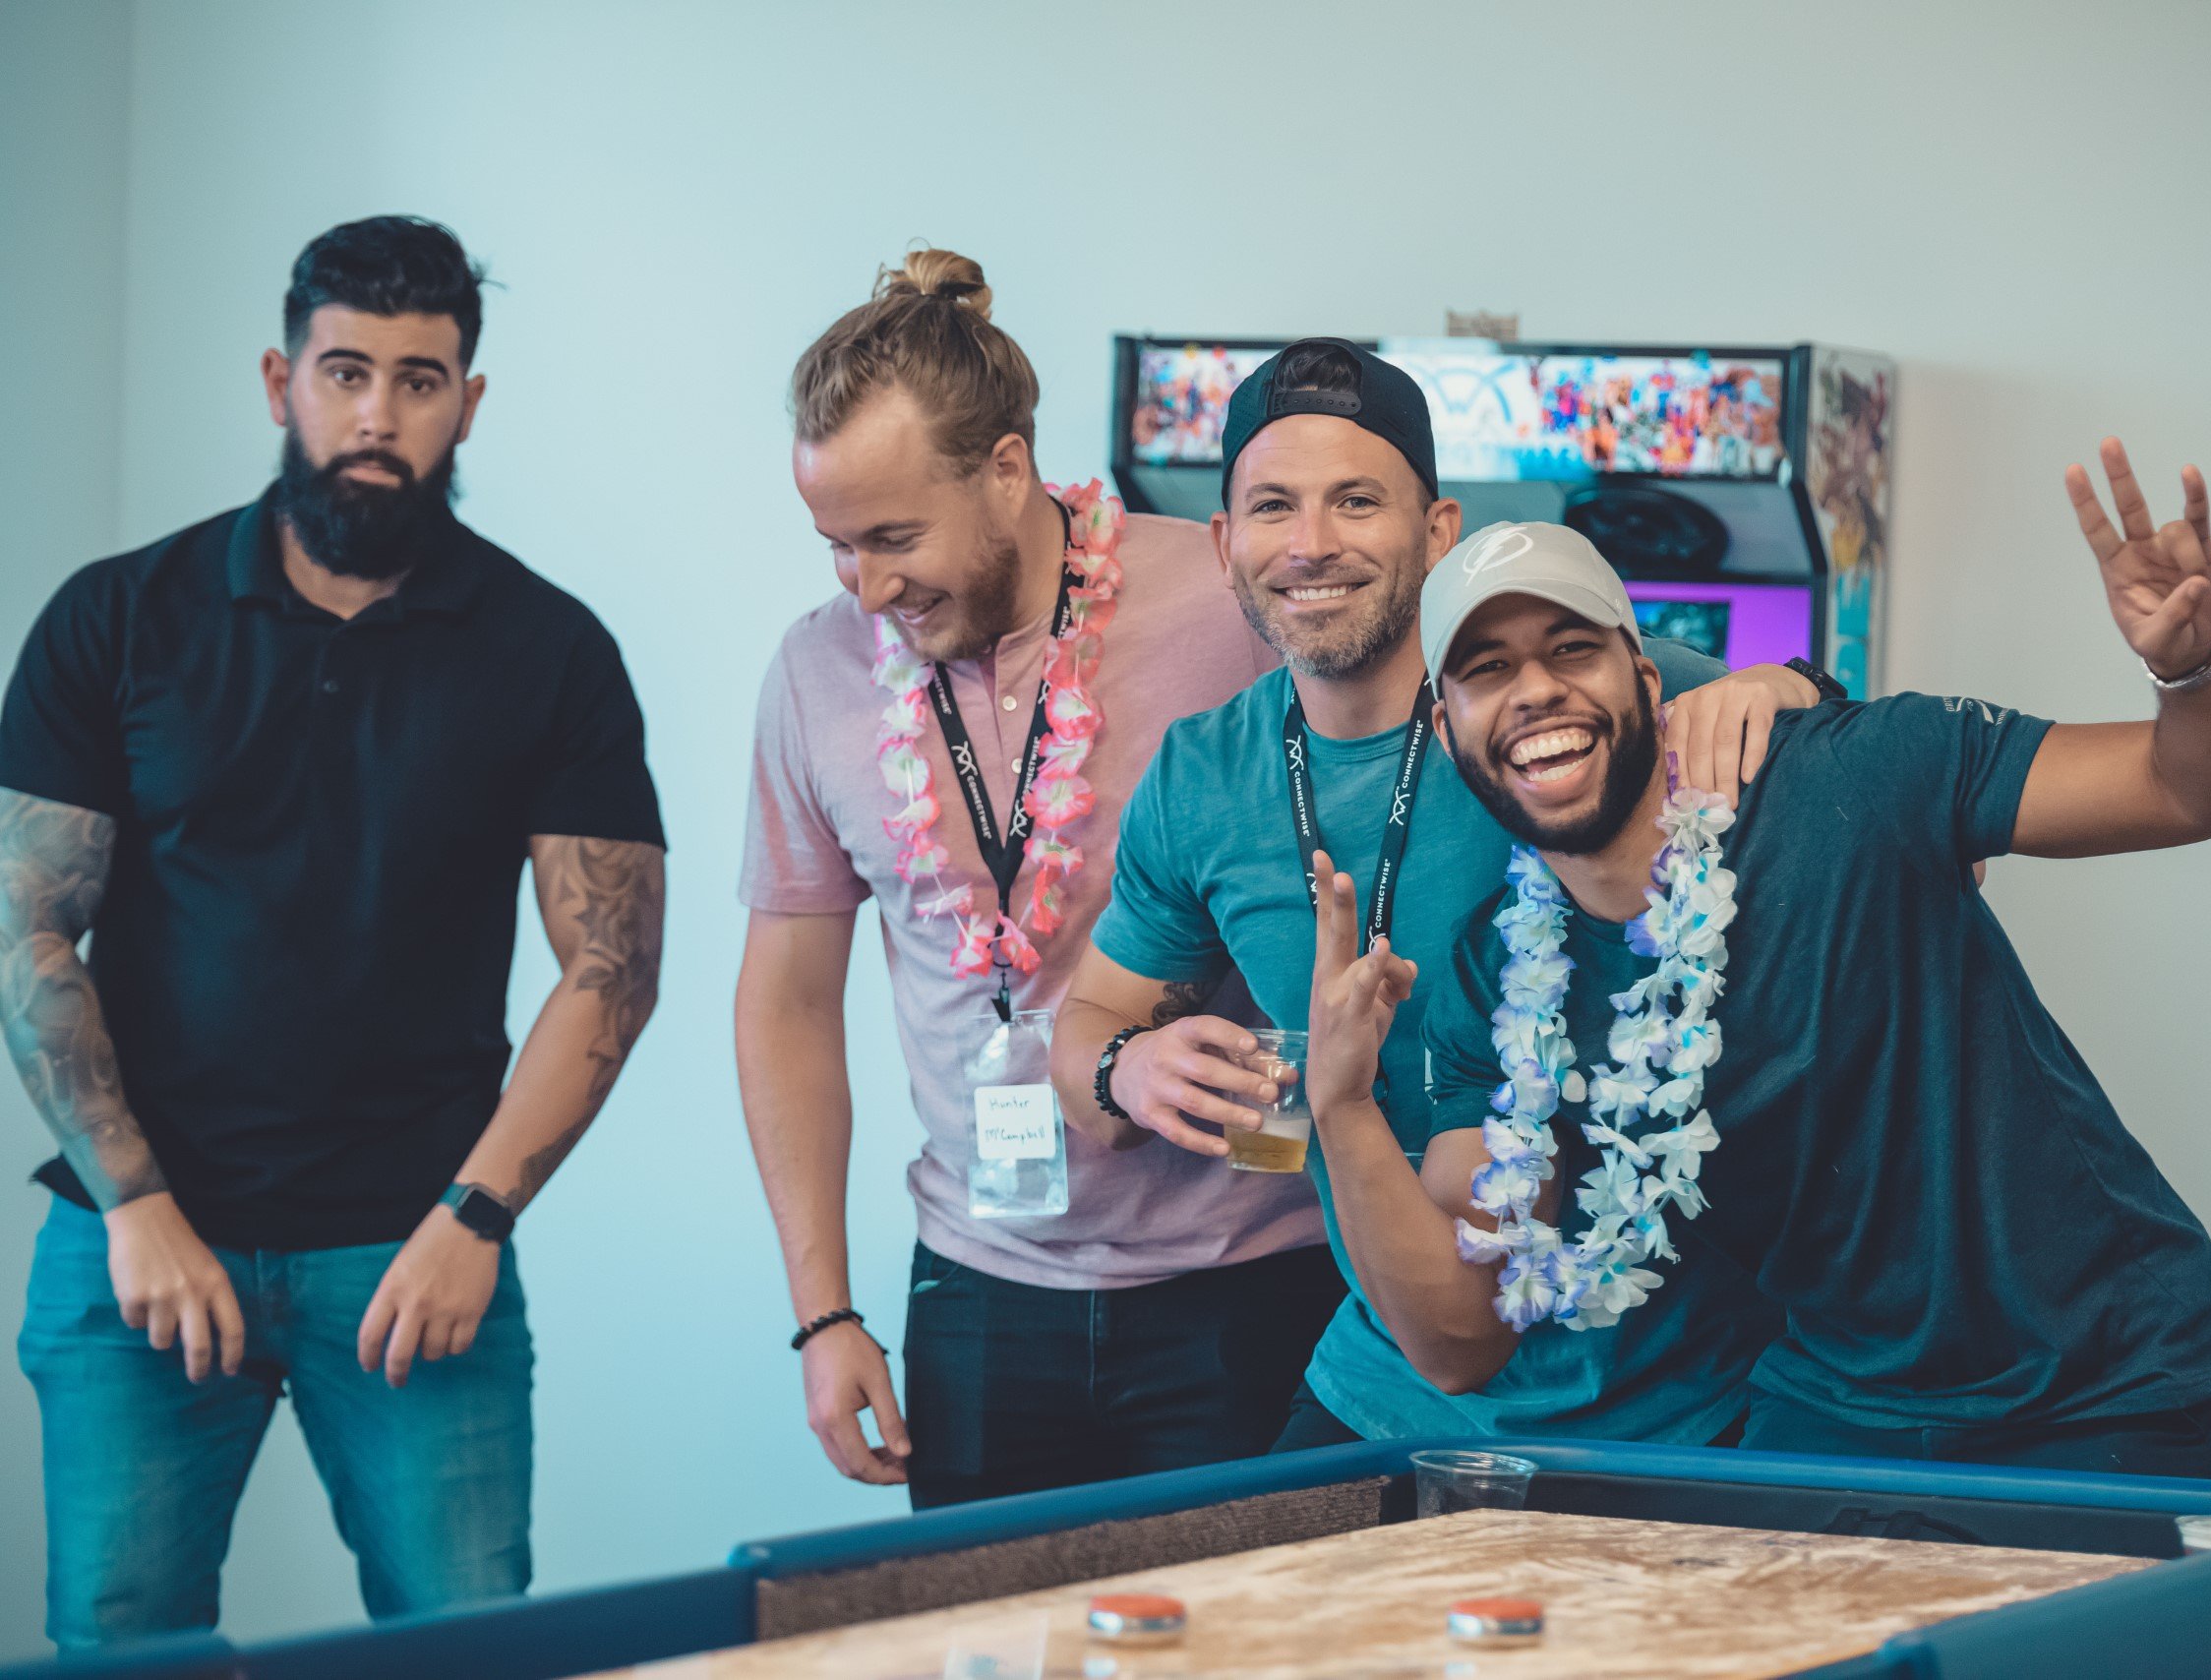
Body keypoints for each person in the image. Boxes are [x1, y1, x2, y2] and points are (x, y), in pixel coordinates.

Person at [1312, 446, 2211, 1477]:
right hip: (1835, 1406)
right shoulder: (1498, 982)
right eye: (1486, 670)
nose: (1537, 691)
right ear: (1444, 724)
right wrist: (1342, 1103)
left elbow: (2208, 787)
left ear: (1643, 677)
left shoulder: (1853, 776)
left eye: (1571, 649)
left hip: (2105, 1387)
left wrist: (2191, 668)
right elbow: (1463, 1338)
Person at [0, 215, 667, 1648]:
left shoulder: (549, 651)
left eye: (420, 380)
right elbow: (27, 937)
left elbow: (610, 968)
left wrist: (474, 1216)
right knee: (121, 1645)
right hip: (141, 1248)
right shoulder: (116, 620)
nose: (378, 414)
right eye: (346, 371)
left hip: (419, 1250)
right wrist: (137, 1208)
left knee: (466, 1640)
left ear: (467, 402)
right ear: (278, 380)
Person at [1053, 338, 1820, 1449]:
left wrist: (1788, 685)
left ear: (1438, 530)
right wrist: (1130, 1067)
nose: (1311, 544)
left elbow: (1832, 751)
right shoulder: (1201, 774)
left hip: (1684, 1385)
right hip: (1396, 1366)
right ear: (1225, 545)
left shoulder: (1553, 694)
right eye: (1273, 507)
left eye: (1356, 501)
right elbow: (1084, 1036)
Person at [736, 250, 1343, 1510]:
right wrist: (822, 1314)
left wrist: (1746, 685)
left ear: (1007, 468)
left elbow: (1465, 665)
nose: (868, 586)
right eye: (837, 545)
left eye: (896, 536)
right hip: (976, 1291)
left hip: (1248, 1275)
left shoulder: (1224, 598)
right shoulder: (815, 672)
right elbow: (787, 1002)